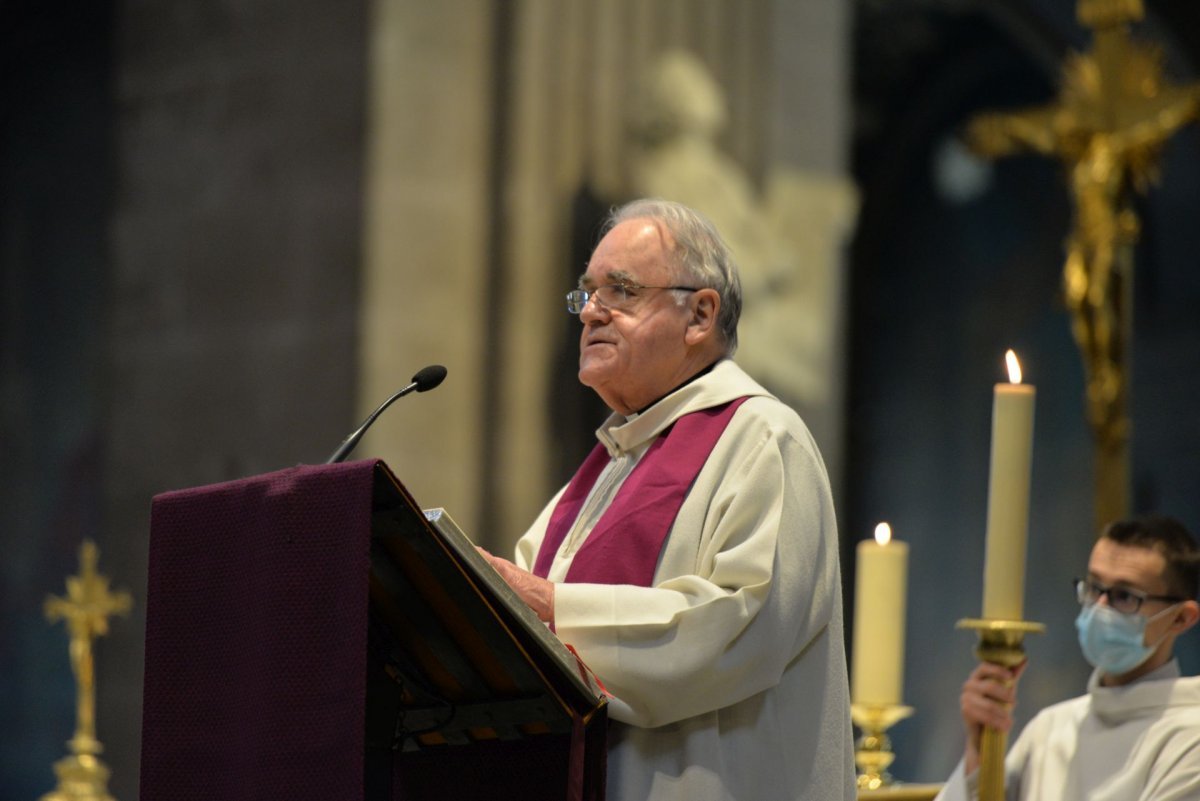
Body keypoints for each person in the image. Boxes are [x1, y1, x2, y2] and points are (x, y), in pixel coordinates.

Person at [478, 198, 855, 800]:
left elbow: (738, 626)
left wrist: (554, 608)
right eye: (587, 294)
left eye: (620, 291)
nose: (591, 313)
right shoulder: (602, 473)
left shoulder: (763, 439)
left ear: (700, 315)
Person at [935, 515, 1200, 801]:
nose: (1099, 609)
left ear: (1181, 619)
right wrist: (978, 750)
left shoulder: (1189, 738)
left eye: (1124, 596)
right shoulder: (1049, 729)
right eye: (1095, 588)